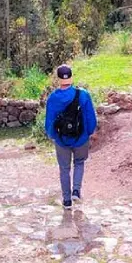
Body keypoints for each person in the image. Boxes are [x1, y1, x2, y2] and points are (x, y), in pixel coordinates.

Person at [45, 64, 97, 209]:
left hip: (62, 140)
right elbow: (90, 116)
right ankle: (76, 191)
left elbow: (49, 121)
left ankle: (67, 200)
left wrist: (53, 136)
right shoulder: (83, 95)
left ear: (58, 79)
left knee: (64, 168)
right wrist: (90, 132)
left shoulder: (53, 98)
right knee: (79, 162)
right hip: (81, 138)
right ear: (71, 77)